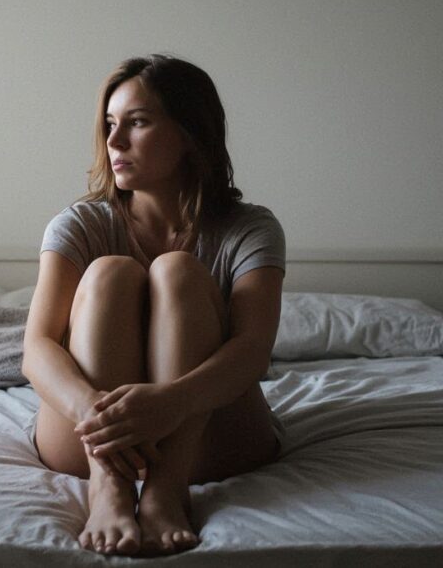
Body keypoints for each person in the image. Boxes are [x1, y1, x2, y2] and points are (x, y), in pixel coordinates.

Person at [21, 54, 286, 557]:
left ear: (191, 133)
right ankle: (110, 486)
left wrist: (174, 401)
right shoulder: (78, 225)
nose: (114, 143)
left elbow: (253, 350)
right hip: (86, 438)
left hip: (207, 435)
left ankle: (167, 488)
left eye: (137, 123)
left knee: (177, 270)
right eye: (109, 125)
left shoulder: (248, 228)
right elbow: (35, 349)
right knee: (111, 271)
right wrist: (98, 415)